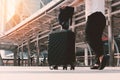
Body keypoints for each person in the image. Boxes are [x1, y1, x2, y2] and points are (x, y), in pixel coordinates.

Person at [61, 0, 107, 70]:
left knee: (89, 38)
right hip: (102, 17)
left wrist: (69, 6)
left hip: (93, 16)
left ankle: (101, 56)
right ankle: (97, 62)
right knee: (97, 39)